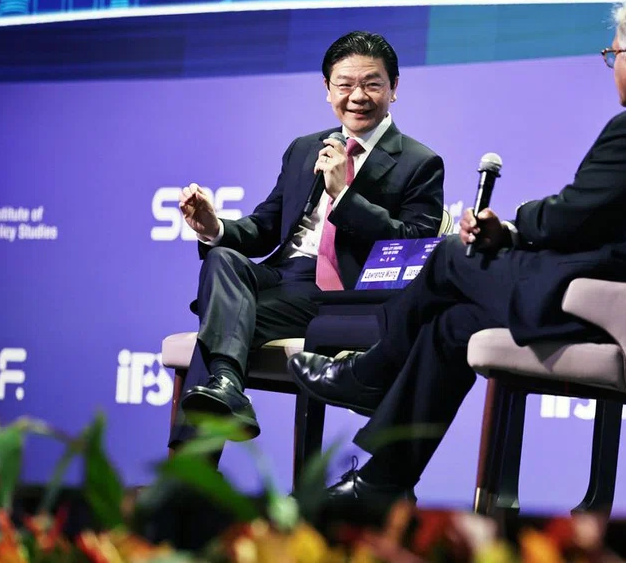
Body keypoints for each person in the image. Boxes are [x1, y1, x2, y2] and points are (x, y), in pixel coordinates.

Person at [288, 0, 626, 504]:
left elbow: (570, 215)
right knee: (451, 326)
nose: (612, 66)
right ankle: (382, 482)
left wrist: (514, 227)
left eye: (612, 55)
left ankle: (370, 371)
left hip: (602, 306)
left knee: (451, 254)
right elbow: (606, 218)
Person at [170, 31, 445, 447]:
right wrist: (213, 228)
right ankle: (226, 384)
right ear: (327, 89)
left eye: (372, 84)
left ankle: (190, 469)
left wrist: (345, 197)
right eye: (345, 85)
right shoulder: (304, 149)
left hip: (341, 295)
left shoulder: (419, 162)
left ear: (393, 88)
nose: (358, 96)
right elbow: (264, 227)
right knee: (222, 258)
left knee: (220, 328)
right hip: (282, 280)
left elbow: (412, 247)